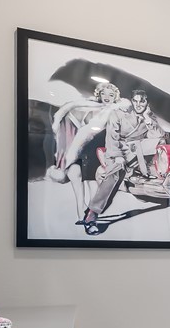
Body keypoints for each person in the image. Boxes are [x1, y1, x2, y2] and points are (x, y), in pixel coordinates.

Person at [81, 89, 167, 235]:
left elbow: (158, 137)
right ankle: (92, 214)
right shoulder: (119, 114)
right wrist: (117, 156)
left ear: (147, 103)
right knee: (115, 174)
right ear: (132, 101)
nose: (139, 104)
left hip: (138, 154)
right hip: (118, 152)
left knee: (160, 141)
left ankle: (150, 172)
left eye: (142, 101)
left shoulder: (149, 117)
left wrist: (147, 118)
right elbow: (112, 139)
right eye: (136, 101)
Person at [45, 82, 128, 223]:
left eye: (111, 95)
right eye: (104, 93)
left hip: (98, 153)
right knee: (77, 181)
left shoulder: (118, 111)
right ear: (99, 95)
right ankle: (80, 216)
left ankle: (89, 215)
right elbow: (71, 114)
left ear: (116, 97)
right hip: (82, 152)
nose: (107, 97)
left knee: (92, 186)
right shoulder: (90, 106)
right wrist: (57, 120)